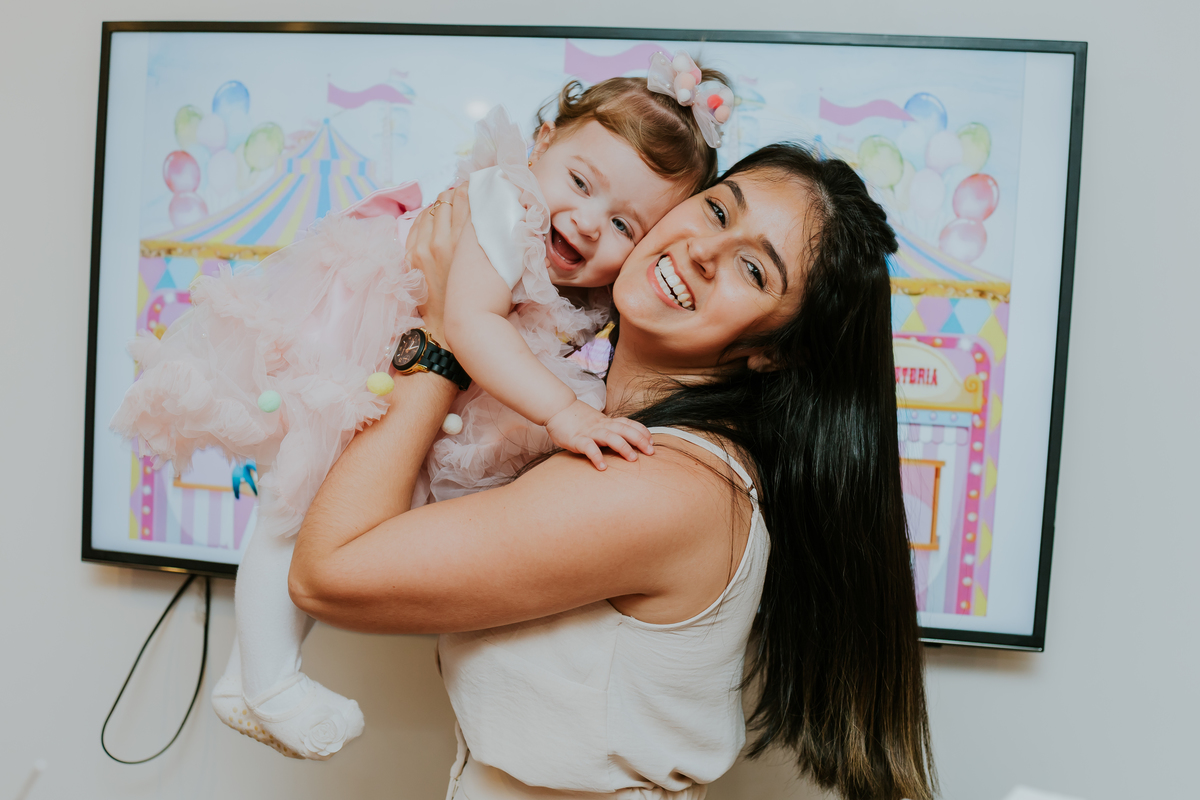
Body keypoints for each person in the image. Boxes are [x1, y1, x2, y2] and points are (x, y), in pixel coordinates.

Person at [111, 54, 734, 760]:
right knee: (293, 507)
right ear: (540, 144)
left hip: (387, 371)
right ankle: (270, 682)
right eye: (581, 182)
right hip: (350, 347)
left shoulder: (568, 270)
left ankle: (242, 678)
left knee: (332, 510)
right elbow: (468, 323)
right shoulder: (505, 202)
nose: (590, 223)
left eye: (625, 225)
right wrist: (566, 414)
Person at [289, 143, 938, 800]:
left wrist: (444, 329)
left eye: (753, 269)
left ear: (776, 351)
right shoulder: (610, 427)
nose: (704, 251)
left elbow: (328, 574)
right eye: (718, 211)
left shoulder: (659, 484)